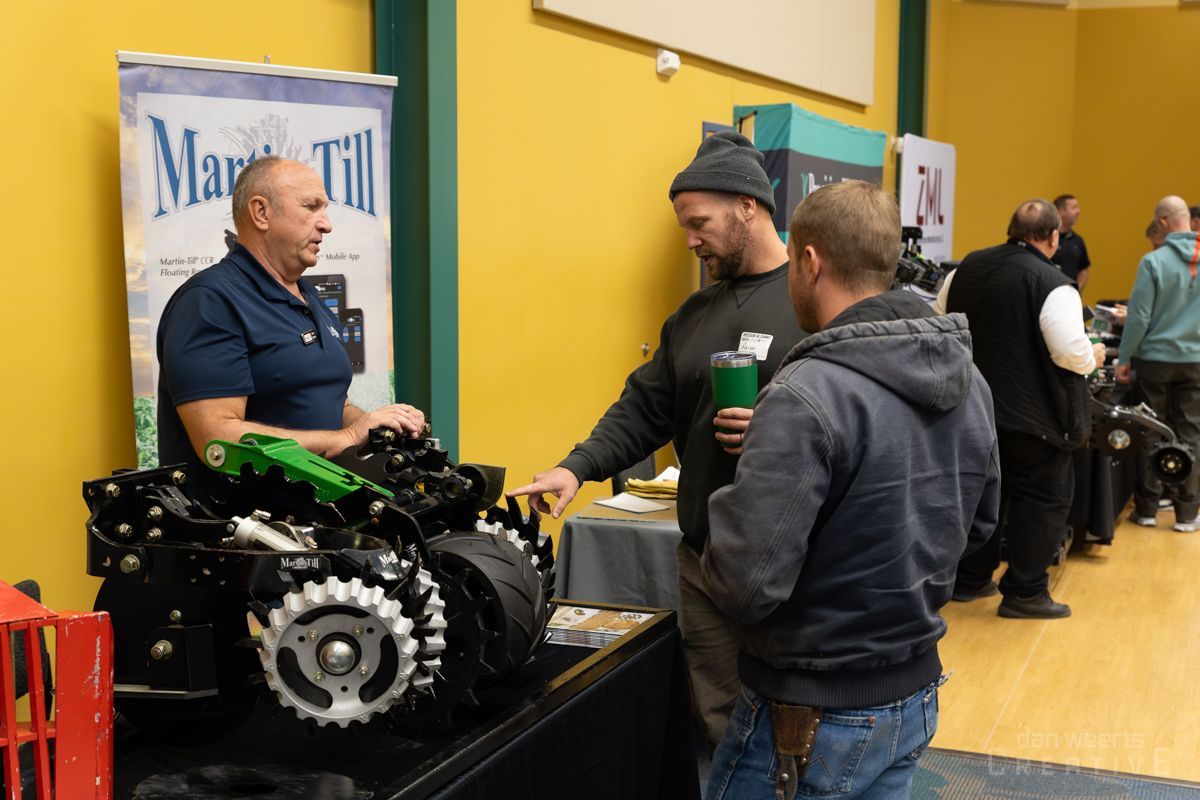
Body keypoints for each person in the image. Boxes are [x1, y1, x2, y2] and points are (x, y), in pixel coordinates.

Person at [507, 131, 806, 752]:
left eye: (699, 223)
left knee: (797, 723)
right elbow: (645, 408)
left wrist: (780, 429)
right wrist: (576, 467)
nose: (690, 240)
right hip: (704, 561)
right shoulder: (692, 316)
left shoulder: (811, 303)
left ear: (747, 206)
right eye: (684, 227)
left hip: (792, 561)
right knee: (721, 723)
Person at [700, 180, 1000, 800]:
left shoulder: (804, 394)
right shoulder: (969, 378)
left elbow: (745, 583)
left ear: (808, 262)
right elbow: (977, 527)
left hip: (806, 719)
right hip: (913, 696)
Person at [157, 156, 426, 493]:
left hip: (325, 513)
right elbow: (218, 440)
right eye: (311, 207)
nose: (326, 224)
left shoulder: (306, 294)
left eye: (324, 209)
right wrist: (345, 439)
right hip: (246, 528)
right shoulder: (209, 301)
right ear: (261, 213)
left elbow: (329, 403)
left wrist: (376, 426)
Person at [936, 199, 1104, 619]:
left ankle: (971, 580)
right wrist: (1095, 356)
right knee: (1041, 502)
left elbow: (940, 326)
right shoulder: (1054, 284)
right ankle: (1025, 592)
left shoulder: (964, 269)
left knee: (982, 498)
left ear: (1010, 229)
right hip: (1034, 422)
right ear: (1053, 237)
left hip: (970, 413)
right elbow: (1070, 354)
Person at [1117, 196, 1200, 532]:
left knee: (1151, 431)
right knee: (1191, 433)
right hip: (1195, 361)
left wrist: (1125, 358)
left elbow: (1138, 318)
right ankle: (1187, 513)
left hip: (1154, 360)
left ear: (1163, 222)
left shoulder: (1153, 262)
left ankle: (1148, 508)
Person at [1052, 194, 1092, 291]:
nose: (1078, 211)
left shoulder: (1078, 241)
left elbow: (1083, 269)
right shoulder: (1045, 238)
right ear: (1060, 211)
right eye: (1074, 207)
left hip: (1068, 298)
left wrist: (1077, 289)